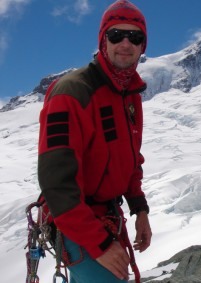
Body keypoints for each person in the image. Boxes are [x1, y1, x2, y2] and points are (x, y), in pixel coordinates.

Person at [37, 1, 151, 282]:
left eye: (134, 37)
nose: (126, 43)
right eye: (116, 35)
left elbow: (130, 158)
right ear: (103, 40)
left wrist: (140, 209)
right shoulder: (73, 92)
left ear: (142, 46)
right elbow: (57, 183)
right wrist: (99, 244)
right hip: (77, 222)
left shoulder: (130, 94)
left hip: (107, 216)